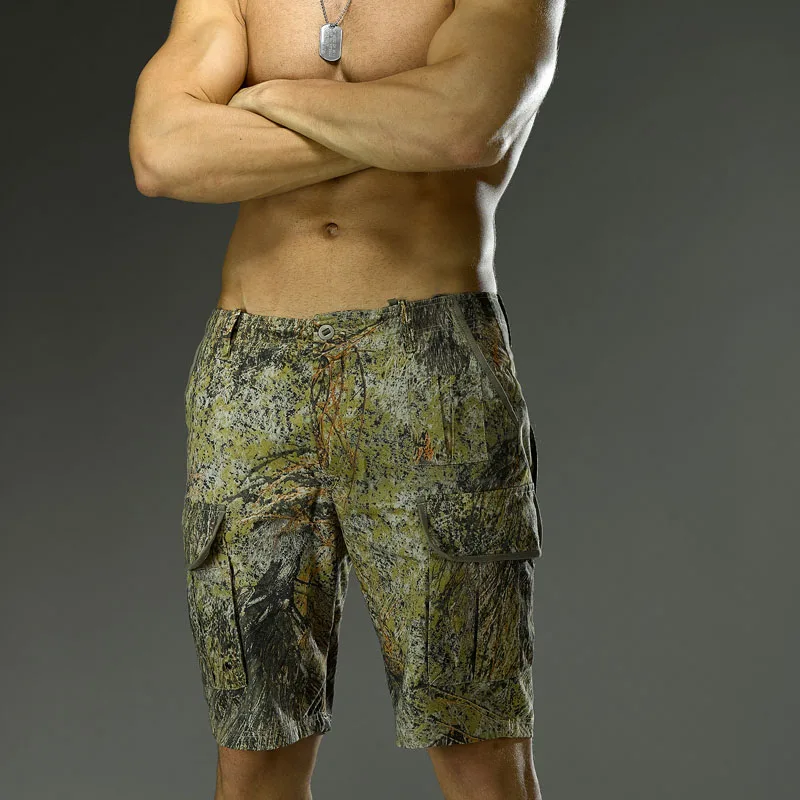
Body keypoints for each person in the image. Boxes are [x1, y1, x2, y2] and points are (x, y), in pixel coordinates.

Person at [129, 0, 564, 796]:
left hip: (427, 363)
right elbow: (162, 153)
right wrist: (391, 125)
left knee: (476, 741)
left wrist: (267, 98)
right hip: (251, 367)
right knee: (254, 744)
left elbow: (466, 127)